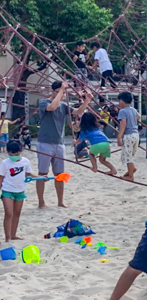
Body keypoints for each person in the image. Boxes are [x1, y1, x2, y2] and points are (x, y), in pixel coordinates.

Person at [36, 81, 89, 209]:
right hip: (45, 142)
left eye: (62, 92)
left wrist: (86, 101)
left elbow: (77, 111)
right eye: (59, 91)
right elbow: (52, 107)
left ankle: (60, 201)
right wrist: (61, 91)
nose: (61, 94)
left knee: (59, 174)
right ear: (53, 91)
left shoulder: (64, 105)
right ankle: (41, 202)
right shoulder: (44, 102)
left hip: (59, 143)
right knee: (42, 174)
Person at [0, 140, 40, 242]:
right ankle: (7, 237)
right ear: (8, 152)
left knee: (17, 213)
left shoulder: (25, 161)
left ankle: (13, 235)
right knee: (9, 213)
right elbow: (1, 178)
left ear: (21, 150)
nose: (14, 155)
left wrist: (42, 177)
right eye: (11, 153)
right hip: (7, 190)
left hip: (20, 191)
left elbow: (30, 174)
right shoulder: (5, 163)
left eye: (16, 153)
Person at [117, 91, 140, 182]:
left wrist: (119, 137)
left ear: (121, 102)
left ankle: (131, 176)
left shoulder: (122, 111)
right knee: (130, 155)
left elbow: (123, 124)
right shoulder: (133, 110)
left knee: (127, 156)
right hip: (136, 135)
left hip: (128, 135)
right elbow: (139, 117)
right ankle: (132, 169)